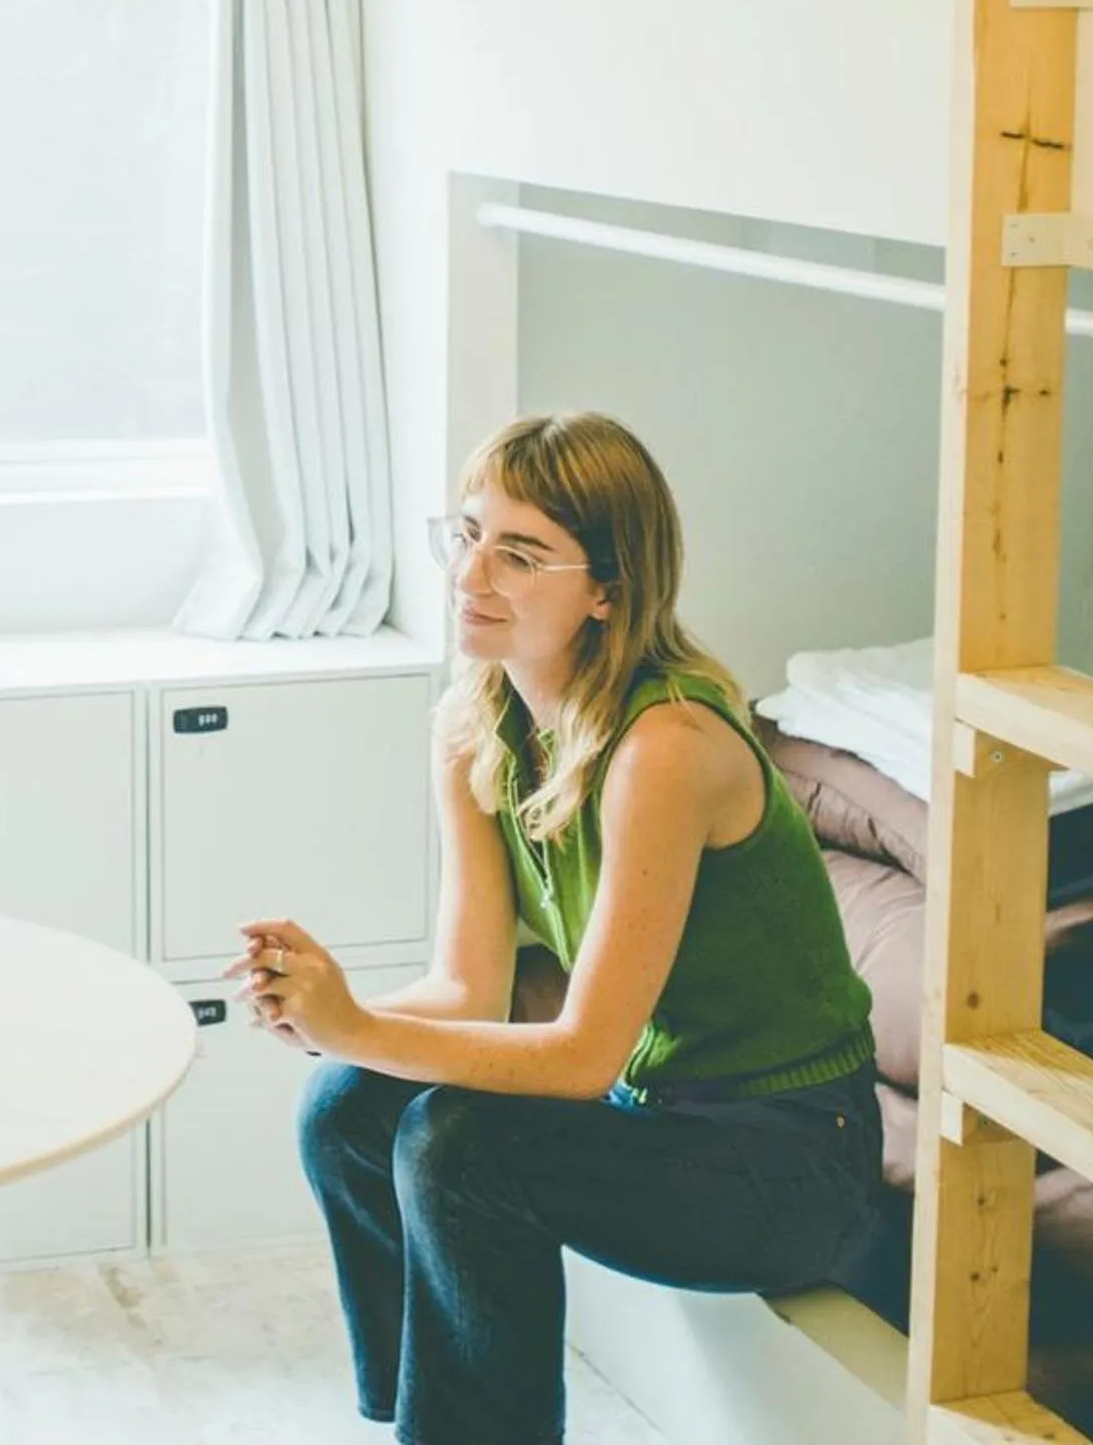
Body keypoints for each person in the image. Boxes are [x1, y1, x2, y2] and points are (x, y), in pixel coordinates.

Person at [234, 412, 879, 1445]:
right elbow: (468, 991)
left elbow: (583, 1060)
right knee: (345, 1105)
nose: (470, 574)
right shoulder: (475, 725)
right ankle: (413, 1422)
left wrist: (355, 1025)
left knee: (460, 1145)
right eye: (467, 535)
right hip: (655, 1118)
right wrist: (327, 1023)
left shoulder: (667, 747)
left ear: (607, 591)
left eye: (520, 555)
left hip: (792, 1160)